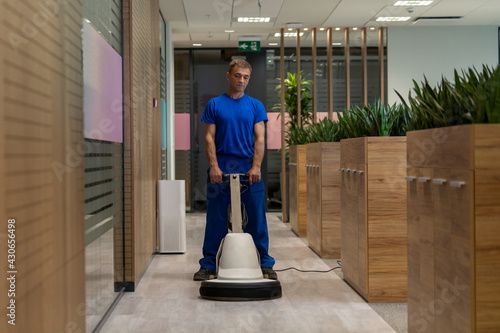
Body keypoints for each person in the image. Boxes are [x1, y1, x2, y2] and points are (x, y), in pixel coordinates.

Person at [193, 59, 277, 281]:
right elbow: (209, 137)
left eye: (246, 77)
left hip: (249, 166)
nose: (242, 80)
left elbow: (260, 138)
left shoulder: (255, 105)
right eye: (238, 76)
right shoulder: (215, 104)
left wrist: (256, 166)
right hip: (220, 165)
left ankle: (265, 263)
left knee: (257, 218)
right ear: (228, 76)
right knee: (216, 218)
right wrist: (213, 166)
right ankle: (209, 264)